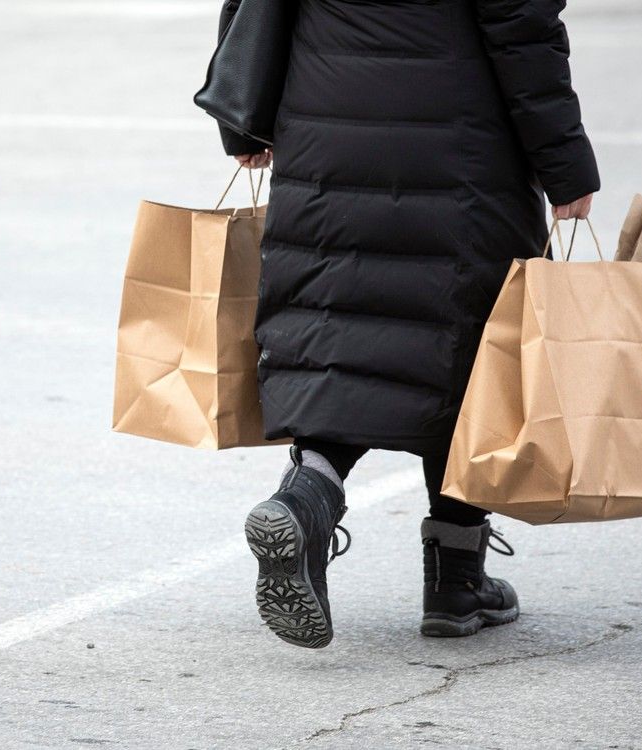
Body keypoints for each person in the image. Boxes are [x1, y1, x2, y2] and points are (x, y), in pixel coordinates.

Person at [213, 0, 599, 647]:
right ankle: (455, 581)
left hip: (324, 133)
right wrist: (565, 165)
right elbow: (523, 30)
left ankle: (307, 495)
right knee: (471, 356)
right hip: (462, 149)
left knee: (341, 340)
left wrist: (243, 124)